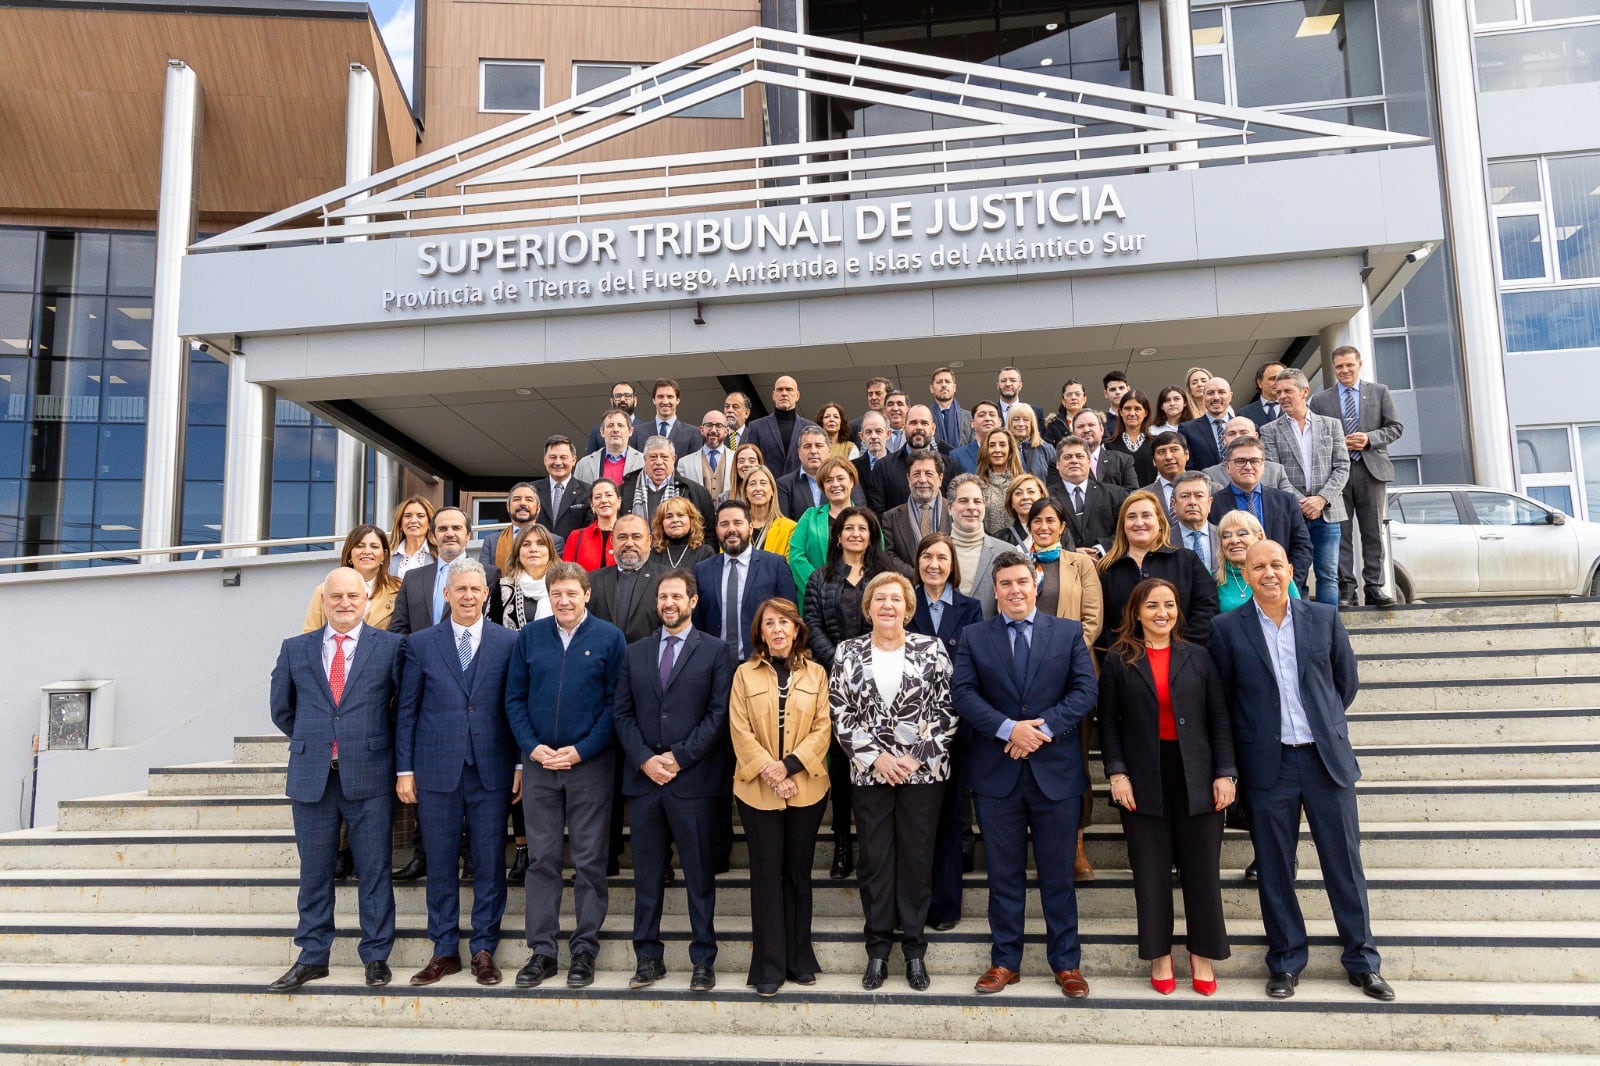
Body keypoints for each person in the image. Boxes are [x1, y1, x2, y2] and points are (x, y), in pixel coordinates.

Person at [1209, 541, 1394, 1002]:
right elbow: (1225, 704)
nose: (1268, 573)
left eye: (1276, 565)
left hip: (1324, 760)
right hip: (1267, 766)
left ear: (1290, 569)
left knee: (1344, 866)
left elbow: (1343, 684)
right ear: (1245, 575)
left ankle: (1362, 962)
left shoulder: (1324, 618)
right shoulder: (1226, 629)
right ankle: (1287, 961)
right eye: (1258, 567)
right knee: (1274, 868)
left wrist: (1322, 725)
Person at [952, 551, 1098, 999]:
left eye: (1022, 582)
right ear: (995, 591)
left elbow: (1085, 690)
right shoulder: (974, 636)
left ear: (1035, 584)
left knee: (1058, 875)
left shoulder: (1068, 632)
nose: (1015, 590)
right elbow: (963, 693)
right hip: (998, 775)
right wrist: (1008, 729)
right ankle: (1004, 961)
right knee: (1004, 874)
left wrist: (1042, 730)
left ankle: (1066, 963)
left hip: (1056, 775)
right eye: (1006, 584)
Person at [267, 567, 405, 992]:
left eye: (353, 596)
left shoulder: (391, 647)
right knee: (314, 871)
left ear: (366, 600)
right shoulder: (296, 649)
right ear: (323, 601)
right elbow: (282, 710)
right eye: (336, 597)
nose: (345, 603)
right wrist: (321, 740)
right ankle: (313, 956)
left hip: (369, 774)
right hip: (312, 777)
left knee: (375, 869)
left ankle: (376, 955)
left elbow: (401, 708)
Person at [1099, 577, 1236, 996]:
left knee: (1202, 872)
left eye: (1170, 605)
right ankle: (1159, 954)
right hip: (1142, 778)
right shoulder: (1119, 659)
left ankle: (1202, 953)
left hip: (1197, 774)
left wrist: (1226, 773)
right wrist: (1117, 774)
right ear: (1137, 612)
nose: (1162, 613)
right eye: (1153, 606)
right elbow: (1107, 724)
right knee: (1151, 872)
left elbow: (1218, 718)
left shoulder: (1198, 657)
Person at [394, 558, 520, 988]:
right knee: (442, 863)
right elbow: (406, 710)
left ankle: (484, 948)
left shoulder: (509, 642)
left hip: (491, 769)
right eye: (460, 589)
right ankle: (444, 949)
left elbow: (515, 707)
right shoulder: (421, 644)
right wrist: (404, 770)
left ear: (487, 595)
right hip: (435, 770)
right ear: (446, 594)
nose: (468, 596)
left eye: (475, 589)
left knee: (488, 863)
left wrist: (520, 763)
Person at [829, 571, 957, 991]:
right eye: (880, 598)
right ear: (868, 608)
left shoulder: (931, 648)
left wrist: (913, 757)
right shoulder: (848, 653)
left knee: (917, 860)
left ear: (908, 607)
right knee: (875, 861)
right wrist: (879, 758)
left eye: (896, 599)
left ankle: (915, 951)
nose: (887, 605)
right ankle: (878, 950)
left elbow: (948, 709)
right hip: (870, 774)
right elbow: (840, 713)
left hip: (923, 774)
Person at [505, 562, 628, 990]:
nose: (564, 601)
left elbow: (616, 706)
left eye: (571, 593)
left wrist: (580, 751)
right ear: (548, 597)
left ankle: (584, 950)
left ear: (586, 595)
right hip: (540, 766)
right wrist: (533, 747)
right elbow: (514, 698)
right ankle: (542, 951)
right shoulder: (529, 638)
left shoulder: (610, 638)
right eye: (556, 594)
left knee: (590, 861)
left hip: (589, 767)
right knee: (541, 861)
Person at [613, 569, 735, 994]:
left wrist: (679, 758)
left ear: (693, 601)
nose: (668, 603)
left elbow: (718, 715)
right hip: (645, 783)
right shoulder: (635, 652)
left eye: (676, 597)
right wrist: (646, 760)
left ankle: (703, 959)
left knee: (699, 877)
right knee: (647, 877)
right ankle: (647, 958)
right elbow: (622, 714)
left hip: (694, 782)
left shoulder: (717, 652)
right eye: (663, 596)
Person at [728, 597, 832, 997]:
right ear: (760, 631)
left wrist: (790, 766)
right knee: (766, 875)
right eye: (769, 623)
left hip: (806, 785)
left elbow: (824, 727)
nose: (777, 629)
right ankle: (768, 965)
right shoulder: (744, 675)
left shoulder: (817, 674)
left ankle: (799, 959)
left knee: (797, 874)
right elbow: (739, 730)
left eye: (784, 622)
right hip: (757, 789)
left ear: (796, 629)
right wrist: (772, 773)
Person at [803, 506, 910, 879]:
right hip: (835, 682)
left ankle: (874, 845)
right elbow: (812, 624)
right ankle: (843, 843)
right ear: (838, 535)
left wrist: (863, 664)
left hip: (883, 681)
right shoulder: (820, 577)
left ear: (872, 535)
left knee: (879, 758)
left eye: (862, 529)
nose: (855, 534)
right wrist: (843, 663)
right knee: (843, 762)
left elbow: (895, 617)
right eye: (848, 528)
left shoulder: (886, 577)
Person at [1026, 498, 1103, 881]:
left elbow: (1092, 620)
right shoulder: (1019, 563)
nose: (1043, 526)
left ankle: (1075, 846)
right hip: (1022, 679)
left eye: (1050, 520)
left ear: (1061, 526)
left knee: (1075, 763)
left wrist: (1056, 660)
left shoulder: (1081, 563)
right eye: (1036, 520)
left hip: (1071, 678)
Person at [910, 532, 983, 931]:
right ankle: (914, 903)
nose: (934, 565)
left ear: (952, 564)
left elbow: (970, 665)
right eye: (926, 558)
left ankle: (945, 905)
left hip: (956, 725)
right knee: (918, 821)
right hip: (908, 729)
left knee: (951, 817)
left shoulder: (970, 608)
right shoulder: (906, 605)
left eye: (941, 558)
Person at [1309, 345, 1403, 607]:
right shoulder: (1320, 400)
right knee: (1342, 533)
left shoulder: (1379, 391)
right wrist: (1339, 441)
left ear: (1359, 364)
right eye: (1339, 366)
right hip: (1336, 474)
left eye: (1349, 365)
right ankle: (1346, 589)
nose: (1344, 370)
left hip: (1371, 470)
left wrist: (1369, 439)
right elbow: (1315, 436)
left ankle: (1374, 586)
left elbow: (1395, 427)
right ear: (1333, 368)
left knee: (1373, 532)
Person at [1260, 368, 1349, 605]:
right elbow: (1273, 472)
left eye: (1288, 391)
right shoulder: (1270, 431)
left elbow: (1342, 467)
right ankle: (1297, 626)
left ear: (1304, 392)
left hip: (1328, 512)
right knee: (1293, 574)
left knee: (1328, 575)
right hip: (1292, 513)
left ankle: (1329, 631)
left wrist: (1321, 499)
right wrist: (1302, 502)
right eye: (1278, 392)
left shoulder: (1331, 425)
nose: (1282, 397)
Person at [1096, 491, 1219, 650]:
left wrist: (1181, 647)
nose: (1139, 522)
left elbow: (1206, 607)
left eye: (1146, 515)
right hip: (1126, 662)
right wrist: (1123, 651)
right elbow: (1101, 622)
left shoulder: (1186, 560)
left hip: (1184, 657)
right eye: (1131, 517)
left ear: (1160, 522)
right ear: (1122, 525)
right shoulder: (1107, 569)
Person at [693, 500, 799, 661]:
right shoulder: (702, 570)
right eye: (724, 524)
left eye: (737, 523)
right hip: (714, 665)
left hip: (762, 662)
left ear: (750, 527)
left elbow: (789, 616)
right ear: (716, 530)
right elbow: (697, 623)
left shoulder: (774, 565)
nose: (731, 530)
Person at [1208, 435, 1314, 589]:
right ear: (1228, 467)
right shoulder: (1214, 504)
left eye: (1254, 461)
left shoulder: (1286, 501)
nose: (1248, 466)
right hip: (1233, 587)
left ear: (1263, 465)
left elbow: (1302, 547)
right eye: (1240, 461)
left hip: (1282, 586)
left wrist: (1287, 581)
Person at [391, 507, 503, 637]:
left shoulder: (490, 575)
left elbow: (495, 626)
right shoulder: (412, 578)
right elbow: (398, 629)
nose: (449, 534)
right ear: (433, 535)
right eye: (442, 529)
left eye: (456, 528)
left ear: (468, 535)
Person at [788, 455, 864, 604]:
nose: (835, 484)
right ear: (823, 487)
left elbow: (876, 557)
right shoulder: (810, 517)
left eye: (840, 478)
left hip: (857, 601)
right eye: (829, 480)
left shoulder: (866, 519)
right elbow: (796, 556)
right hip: (817, 602)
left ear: (852, 481)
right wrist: (820, 589)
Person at [303, 524, 400, 634]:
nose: (367, 551)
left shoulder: (399, 589)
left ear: (384, 555)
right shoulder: (324, 590)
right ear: (349, 554)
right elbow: (309, 636)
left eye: (374, 546)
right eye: (360, 546)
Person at [946, 473, 1014, 618]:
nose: (971, 507)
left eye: (977, 501)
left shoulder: (1007, 552)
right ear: (949, 507)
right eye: (963, 501)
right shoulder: (935, 553)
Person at [588, 514, 664, 643]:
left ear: (649, 541)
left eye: (636, 537)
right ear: (612, 542)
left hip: (649, 657)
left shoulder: (666, 578)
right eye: (622, 537)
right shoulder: (592, 580)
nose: (629, 543)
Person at [1050, 435, 1128, 560]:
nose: (1074, 461)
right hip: (1063, 568)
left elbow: (1124, 531)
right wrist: (1071, 551)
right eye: (1067, 457)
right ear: (1058, 464)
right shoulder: (1046, 497)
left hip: (1106, 566)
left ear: (1089, 462)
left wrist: (1099, 549)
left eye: (1080, 456)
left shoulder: (1115, 494)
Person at [621, 435, 716, 533]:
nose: (659, 462)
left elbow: (709, 533)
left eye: (664, 457)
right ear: (645, 459)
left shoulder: (696, 492)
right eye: (653, 457)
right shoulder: (624, 491)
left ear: (674, 459)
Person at [1215, 510, 1302, 613]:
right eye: (1226, 535)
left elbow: (1298, 615)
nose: (1234, 540)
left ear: (1259, 537)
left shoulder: (1277, 575)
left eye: (1242, 534)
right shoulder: (1212, 580)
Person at [880, 448, 951, 565]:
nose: (922, 480)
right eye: (916, 474)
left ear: (940, 478)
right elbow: (890, 557)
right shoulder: (891, 518)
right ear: (908, 478)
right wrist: (918, 576)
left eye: (929, 474)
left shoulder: (955, 512)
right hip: (907, 582)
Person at [742, 375, 818, 476]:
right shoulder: (756, 427)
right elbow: (751, 461)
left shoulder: (812, 428)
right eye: (780, 390)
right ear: (774, 395)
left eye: (789, 389)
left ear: (797, 395)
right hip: (768, 488)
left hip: (801, 487)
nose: (784, 393)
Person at [1202, 417, 1298, 496]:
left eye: (1244, 432)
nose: (1238, 437)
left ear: (1256, 436)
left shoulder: (1276, 471)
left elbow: (1288, 504)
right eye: (1232, 433)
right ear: (1224, 439)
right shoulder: (1211, 475)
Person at [480, 482, 557, 572]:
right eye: (517, 499)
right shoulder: (492, 541)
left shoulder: (554, 540)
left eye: (529, 499)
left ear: (538, 508)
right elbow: (484, 576)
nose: (523, 503)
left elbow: (555, 575)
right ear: (508, 507)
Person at [495, 523, 558, 630]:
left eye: (541, 543)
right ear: (517, 554)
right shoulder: (503, 588)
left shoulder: (563, 585)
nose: (533, 549)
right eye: (526, 544)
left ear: (550, 552)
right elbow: (492, 631)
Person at [530, 436, 592, 541]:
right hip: (537, 553)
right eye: (553, 457)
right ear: (545, 460)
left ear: (573, 460)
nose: (558, 462)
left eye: (563, 457)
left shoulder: (588, 492)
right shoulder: (531, 491)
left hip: (573, 555)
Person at [777, 426, 841, 521]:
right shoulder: (784, 485)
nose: (813, 451)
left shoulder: (844, 481)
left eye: (819, 445)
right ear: (799, 452)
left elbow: (857, 515)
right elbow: (784, 524)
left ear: (829, 450)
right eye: (807, 446)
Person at [630, 377, 703, 458]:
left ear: (678, 400)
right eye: (660, 396)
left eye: (670, 397)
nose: (665, 401)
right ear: (654, 400)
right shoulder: (637, 432)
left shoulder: (693, 433)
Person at [561, 478, 622, 572]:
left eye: (609, 495)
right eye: (598, 497)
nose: (604, 500)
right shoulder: (576, 537)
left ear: (619, 501)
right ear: (592, 505)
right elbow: (566, 574)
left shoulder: (629, 536)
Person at [575, 409, 645, 486]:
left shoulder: (644, 462)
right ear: (602, 431)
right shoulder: (584, 465)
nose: (615, 429)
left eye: (620, 425)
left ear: (630, 431)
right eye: (610, 425)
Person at [677, 410, 734, 503]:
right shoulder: (685, 463)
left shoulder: (737, 458)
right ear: (701, 429)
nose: (713, 430)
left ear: (726, 431)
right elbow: (681, 498)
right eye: (709, 425)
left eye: (719, 426)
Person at [1073, 408, 1138, 490]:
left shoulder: (1122, 460)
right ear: (1073, 434)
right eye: (1081, 426)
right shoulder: (1062, 463)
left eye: (1091, 425)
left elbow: (1133, 494)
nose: (1086, 430)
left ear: (1101, 430)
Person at [740, 465, 797, 558]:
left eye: (763, 483)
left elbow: (788, 566)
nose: (758, 488)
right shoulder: (735, 527)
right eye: (752, 484)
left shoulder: (789, 528)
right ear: (746, 492)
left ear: (772, 491)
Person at [1180, 376, 1235, 472]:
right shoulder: (1187, 430)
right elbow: (1187, 465)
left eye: (1221, 392)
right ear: (1204, 397)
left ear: (1230, 396)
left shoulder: (1246, 427)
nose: (1216, 397)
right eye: (1210, 393)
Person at [976, 427, 1023, 536]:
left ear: (1010, 450)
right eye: (992, 445)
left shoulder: (1023, 483)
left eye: (1002, 445)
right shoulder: (977, 485)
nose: (997, 450)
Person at [1105, 389, 1157, 486]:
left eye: (1137, 409)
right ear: (1120, 412)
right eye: (1127, 409)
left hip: (1151, 498)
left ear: (1145, 412)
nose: (1132, 413)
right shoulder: (1108, 445)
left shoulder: (1157, 443)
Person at [651, 495, 716, 571]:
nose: (675, 520)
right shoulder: (653, 554)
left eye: (680, 515)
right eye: (669, 517)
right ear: (661, 524)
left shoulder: (705, 553)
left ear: (691, 520)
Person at [1144, 431, 1191, 520]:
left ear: (1187, 454)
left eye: (1174, 450)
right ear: (1154, 461)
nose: (1168, 457)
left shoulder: (1211, 489)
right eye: (1161, 452)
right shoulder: (1142, 495)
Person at [388, 495, 436, 578]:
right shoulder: (388, 555)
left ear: (429, 523)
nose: (413, 520)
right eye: (407, 516)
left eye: (420, 516)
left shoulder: (439, 554)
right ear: (400, 523)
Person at [948, 400, 1001, 475]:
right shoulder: (957, 456)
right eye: (982, 415)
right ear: (972, 423)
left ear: (999, 422)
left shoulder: (1011, 453)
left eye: (992, 415)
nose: (988, 418)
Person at [586, 381, 638, 455]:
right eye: (618, 396)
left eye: (627, 395)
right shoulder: (596, 431)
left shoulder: (645, 430)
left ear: (635, 401)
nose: (623, 399)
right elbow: (590, 462)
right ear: (611, 401)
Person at [998, 473, 1049, 549]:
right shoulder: (1001, 538)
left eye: (1031, 492)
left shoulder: (1059, 531)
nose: (1025, 497)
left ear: (1042, 496)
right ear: (1011, 502)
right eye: (1018, 493)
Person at [1007, 404, 1055, 481]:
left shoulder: (1046, 449)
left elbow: (1055, 480)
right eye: (1016, 419)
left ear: (1032, 424)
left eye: (1026, 420)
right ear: (1009, 423)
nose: (1021, 424)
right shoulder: (1003, 450)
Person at [928, 365, 972, 449]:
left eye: (947, 381)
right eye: (939, 382)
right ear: (931, 388)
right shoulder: (925, 419)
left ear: (954, 387)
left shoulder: (970, 417)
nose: (944, 385)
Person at [1236, 361, 1286, 428]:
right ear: (1260, 383)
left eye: (1281, 378)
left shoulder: (1297, 409)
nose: (1277, 383)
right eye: (1273, 379)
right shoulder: (1244, 413)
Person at [1043, 379, 1091, 446]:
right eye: (1069, 394)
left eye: (1077, 394)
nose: (1073, 397)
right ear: (1063, 401)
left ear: (1084, 399)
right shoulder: (1054, 424)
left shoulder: (1096, 421)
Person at [851, 410, 892, 484]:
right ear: (862, 437)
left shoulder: (900, 465)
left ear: (888, 434)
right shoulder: (852, 468)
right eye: (868, 432)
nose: (873, 436)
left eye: (878, 431)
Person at [848, 376, 893, 440]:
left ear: (889, 396)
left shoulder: (898, 424)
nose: (873, 398)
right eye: (870, 394)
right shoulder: (854, 427)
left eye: (878, 393)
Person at [1102, 369, 1131, 438]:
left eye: (1121, 388)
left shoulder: (1139, 417)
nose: (1118, 392)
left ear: (1128, 390)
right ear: (1105, 394)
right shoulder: (1101, 422)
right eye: (1113, 389)